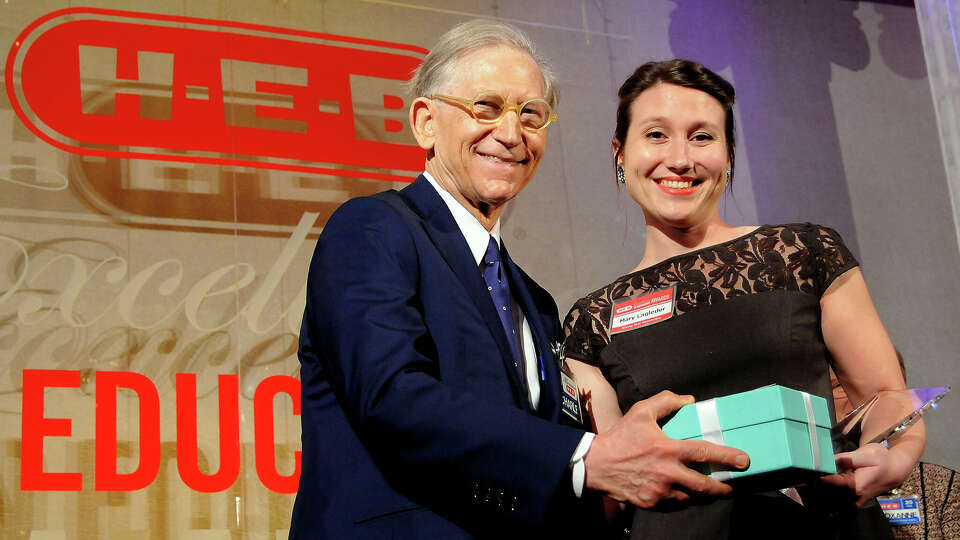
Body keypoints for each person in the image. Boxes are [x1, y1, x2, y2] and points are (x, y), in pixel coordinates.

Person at [289, 24, 747, 539]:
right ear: (425, 122)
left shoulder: (537, 302)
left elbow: (537, 461)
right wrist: (586, 456)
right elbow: (392, 397)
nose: (510, 134)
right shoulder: (373, 229)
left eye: (531, 115)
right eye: (485, 107)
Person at [562, 59, 926, 538]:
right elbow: (611, 493)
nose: (679, 158)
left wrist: (894, 458)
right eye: (655, 135)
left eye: (702, 136)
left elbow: (887, 397)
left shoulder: (803, 253)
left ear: (729, 153)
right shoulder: (592, 321)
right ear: (619, 153)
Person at [831, 364, 960, 539]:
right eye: (840, 386)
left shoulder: (943, 485)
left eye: (877, 388)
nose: (861, 399)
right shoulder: (805, 485)